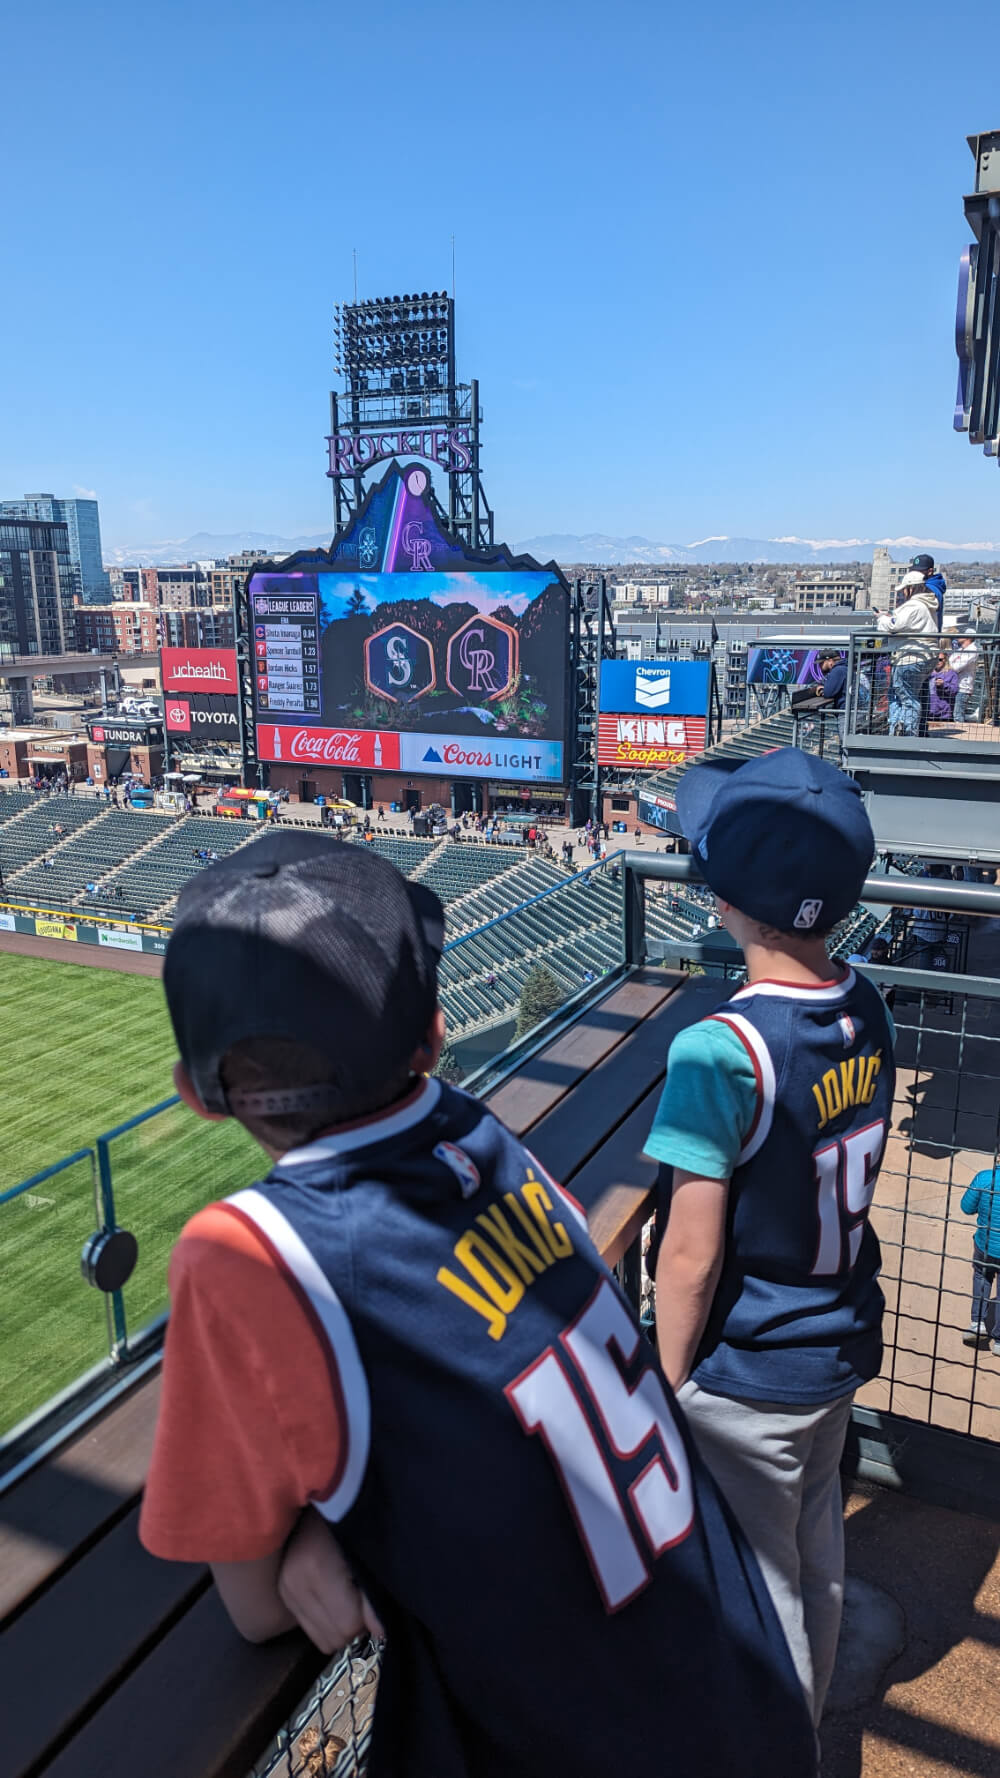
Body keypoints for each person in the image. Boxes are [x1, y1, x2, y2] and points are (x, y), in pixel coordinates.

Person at [139, 835, 816, 1778]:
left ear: (196, 1093)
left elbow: (254, 1610)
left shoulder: (247, 1251)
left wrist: (317, 1532)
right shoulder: (481, 1135)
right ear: (433, 1034)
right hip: (745, 1695)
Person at [643, 748, 895, 1729]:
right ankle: (806, 1717)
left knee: (758, 1591)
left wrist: (663, 1385)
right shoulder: (866, 1002)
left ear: (725, 900)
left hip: (744, 1376)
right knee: (815, 1558)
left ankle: (776, 1748)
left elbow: (689, 1255)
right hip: (833, 1343)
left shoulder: (719, 1049)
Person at [877, 572, 938, 735]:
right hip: (926, 656)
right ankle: (898, 728)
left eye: (904, 589)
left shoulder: (914, 606)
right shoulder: (928, 605)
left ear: (911, 588)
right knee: (901, 695)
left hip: (910, 657)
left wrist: (882, 618)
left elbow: (893, 626)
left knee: (907, 698)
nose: (903, 593)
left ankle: (907, 734)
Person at [960, 1166, 1000, 1349]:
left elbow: (966, 1207)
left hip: (985, 1245)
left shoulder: (984, 1178)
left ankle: (977, 1324)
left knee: (982, 1276)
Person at [909, 552, 947, 632]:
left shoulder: (928, 588)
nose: (914, 574)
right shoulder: (933, 586)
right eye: (913, 571)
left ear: (930, 571)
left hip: (923, 635)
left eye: (919, 571)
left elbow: (914, 613)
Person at [949, 634, 979, 723]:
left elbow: (957, 667)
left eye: (962, 634)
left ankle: (960, 731)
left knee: (958, 716)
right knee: (955, 714)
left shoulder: (972, 650)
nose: (958, 636)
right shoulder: (961, 649)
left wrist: (952, 664)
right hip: (954, 686)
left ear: (968, 638)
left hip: (963, 687)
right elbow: (950, 660)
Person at [927, 651, 959, 722]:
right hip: (927, 713)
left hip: (943, 714)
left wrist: (944, 685)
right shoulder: (927, 673)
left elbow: (954, 691)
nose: (937, 661)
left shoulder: (951, 674)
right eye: (935, 659)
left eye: (940, 659)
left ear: (945, 660)